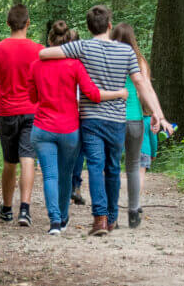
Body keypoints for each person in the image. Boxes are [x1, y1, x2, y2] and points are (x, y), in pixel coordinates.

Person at [39, 5, 165, 236]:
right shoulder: (126, 52)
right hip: (117, 120)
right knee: (112, 168)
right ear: (109, 25)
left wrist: (62, 52)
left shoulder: (82, 46)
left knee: (95, 167)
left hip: (91, 118)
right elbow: (140, 83)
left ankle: (99, 219)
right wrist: (156, 111)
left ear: (88, 27)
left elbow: (45, 53)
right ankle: (112, 218)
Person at [26, 22, 127, 235]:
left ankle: (55, 222)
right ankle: (63, 218)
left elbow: (33, 97)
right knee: (64, 176)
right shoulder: (75, 66)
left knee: (50, 176)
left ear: (50, 42)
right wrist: (119, 93)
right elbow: (93, 94)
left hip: (42, 128)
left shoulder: (36, 65)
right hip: (69, 130)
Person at [0, 4, 44, 226]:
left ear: (8, 23)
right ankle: (25, 210)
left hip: (7, 112)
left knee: (10, 162)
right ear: (28, 23)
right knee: (28, 159)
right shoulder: (39, 50)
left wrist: (8, 89)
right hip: (32, 112)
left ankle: (7, 209)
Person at [111, 22, 171, 229]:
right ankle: (134, 211)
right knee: (134, 166)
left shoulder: (106, 57)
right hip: (135, 118)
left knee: (111, 166)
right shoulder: (138, 60)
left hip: (110, 118)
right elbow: (147, 88)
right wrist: (157, 115)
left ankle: (111, 214)